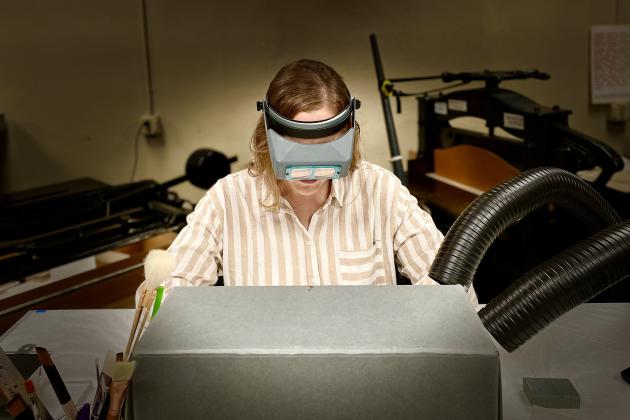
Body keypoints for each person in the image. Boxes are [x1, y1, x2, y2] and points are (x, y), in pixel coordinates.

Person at [139, 58, 478, 306]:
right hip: (260, 375)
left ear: (349, 137)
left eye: (327, 150)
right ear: (267, 138)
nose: (311, 170)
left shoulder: (381, 192)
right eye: (295, 150)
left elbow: (451, 288)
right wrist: (160, 300)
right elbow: (170, 293)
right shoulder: (228, 200)